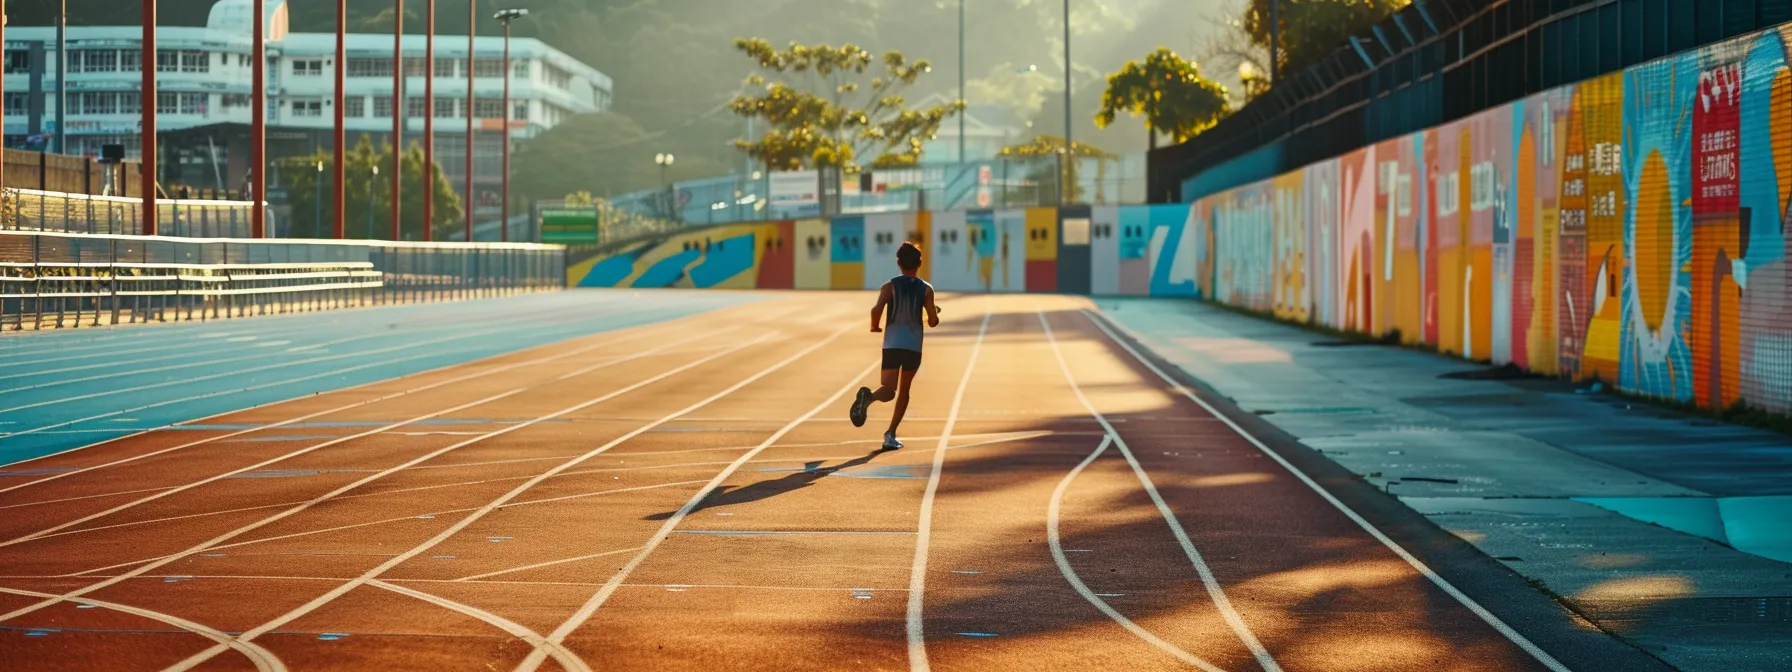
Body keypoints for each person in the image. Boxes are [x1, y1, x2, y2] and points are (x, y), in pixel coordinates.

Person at [850, 241, 939, 449]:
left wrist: (875, 326)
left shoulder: (889, 286)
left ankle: (870, 398)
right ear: (919, 263)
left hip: (891, 345)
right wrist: (933, 314)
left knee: (889, 389)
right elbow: (933, 321)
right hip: (913, 347)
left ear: (898, 263)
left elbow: (876, 310)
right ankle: (890, 434)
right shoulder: (926, 290)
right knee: (904, 391)